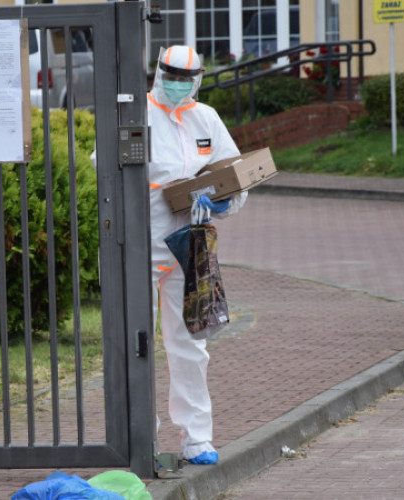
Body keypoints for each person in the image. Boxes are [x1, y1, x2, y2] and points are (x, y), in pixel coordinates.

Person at [147, 45, 248, 465]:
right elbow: (105, 177)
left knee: (189, 343)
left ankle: (196, 437)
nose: (177, 84)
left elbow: (235, 173)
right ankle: (140, 436)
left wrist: (225, 201)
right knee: (135, 345)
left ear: (199, 79)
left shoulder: (205, 117)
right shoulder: (137, 114)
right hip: (140, 245)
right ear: (158, 72)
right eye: (170, 75)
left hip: (189, 246)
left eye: (186, 78)